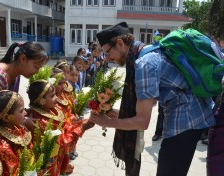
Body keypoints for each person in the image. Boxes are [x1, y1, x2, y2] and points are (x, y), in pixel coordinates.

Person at [89, 22, 215, 176]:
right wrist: (118, 113)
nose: (107, 58)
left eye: (107, 52)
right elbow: (151, 101)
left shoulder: (144, 64)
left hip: (186, 120)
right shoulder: (147, 51)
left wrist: (108, 123)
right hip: (197, 112)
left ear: (120, 43)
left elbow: (143, 121)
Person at [0, 90, 33, 176]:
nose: (25, 113)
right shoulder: (2, 146)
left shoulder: (18, 128)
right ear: (7, 118)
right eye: (21, 111)